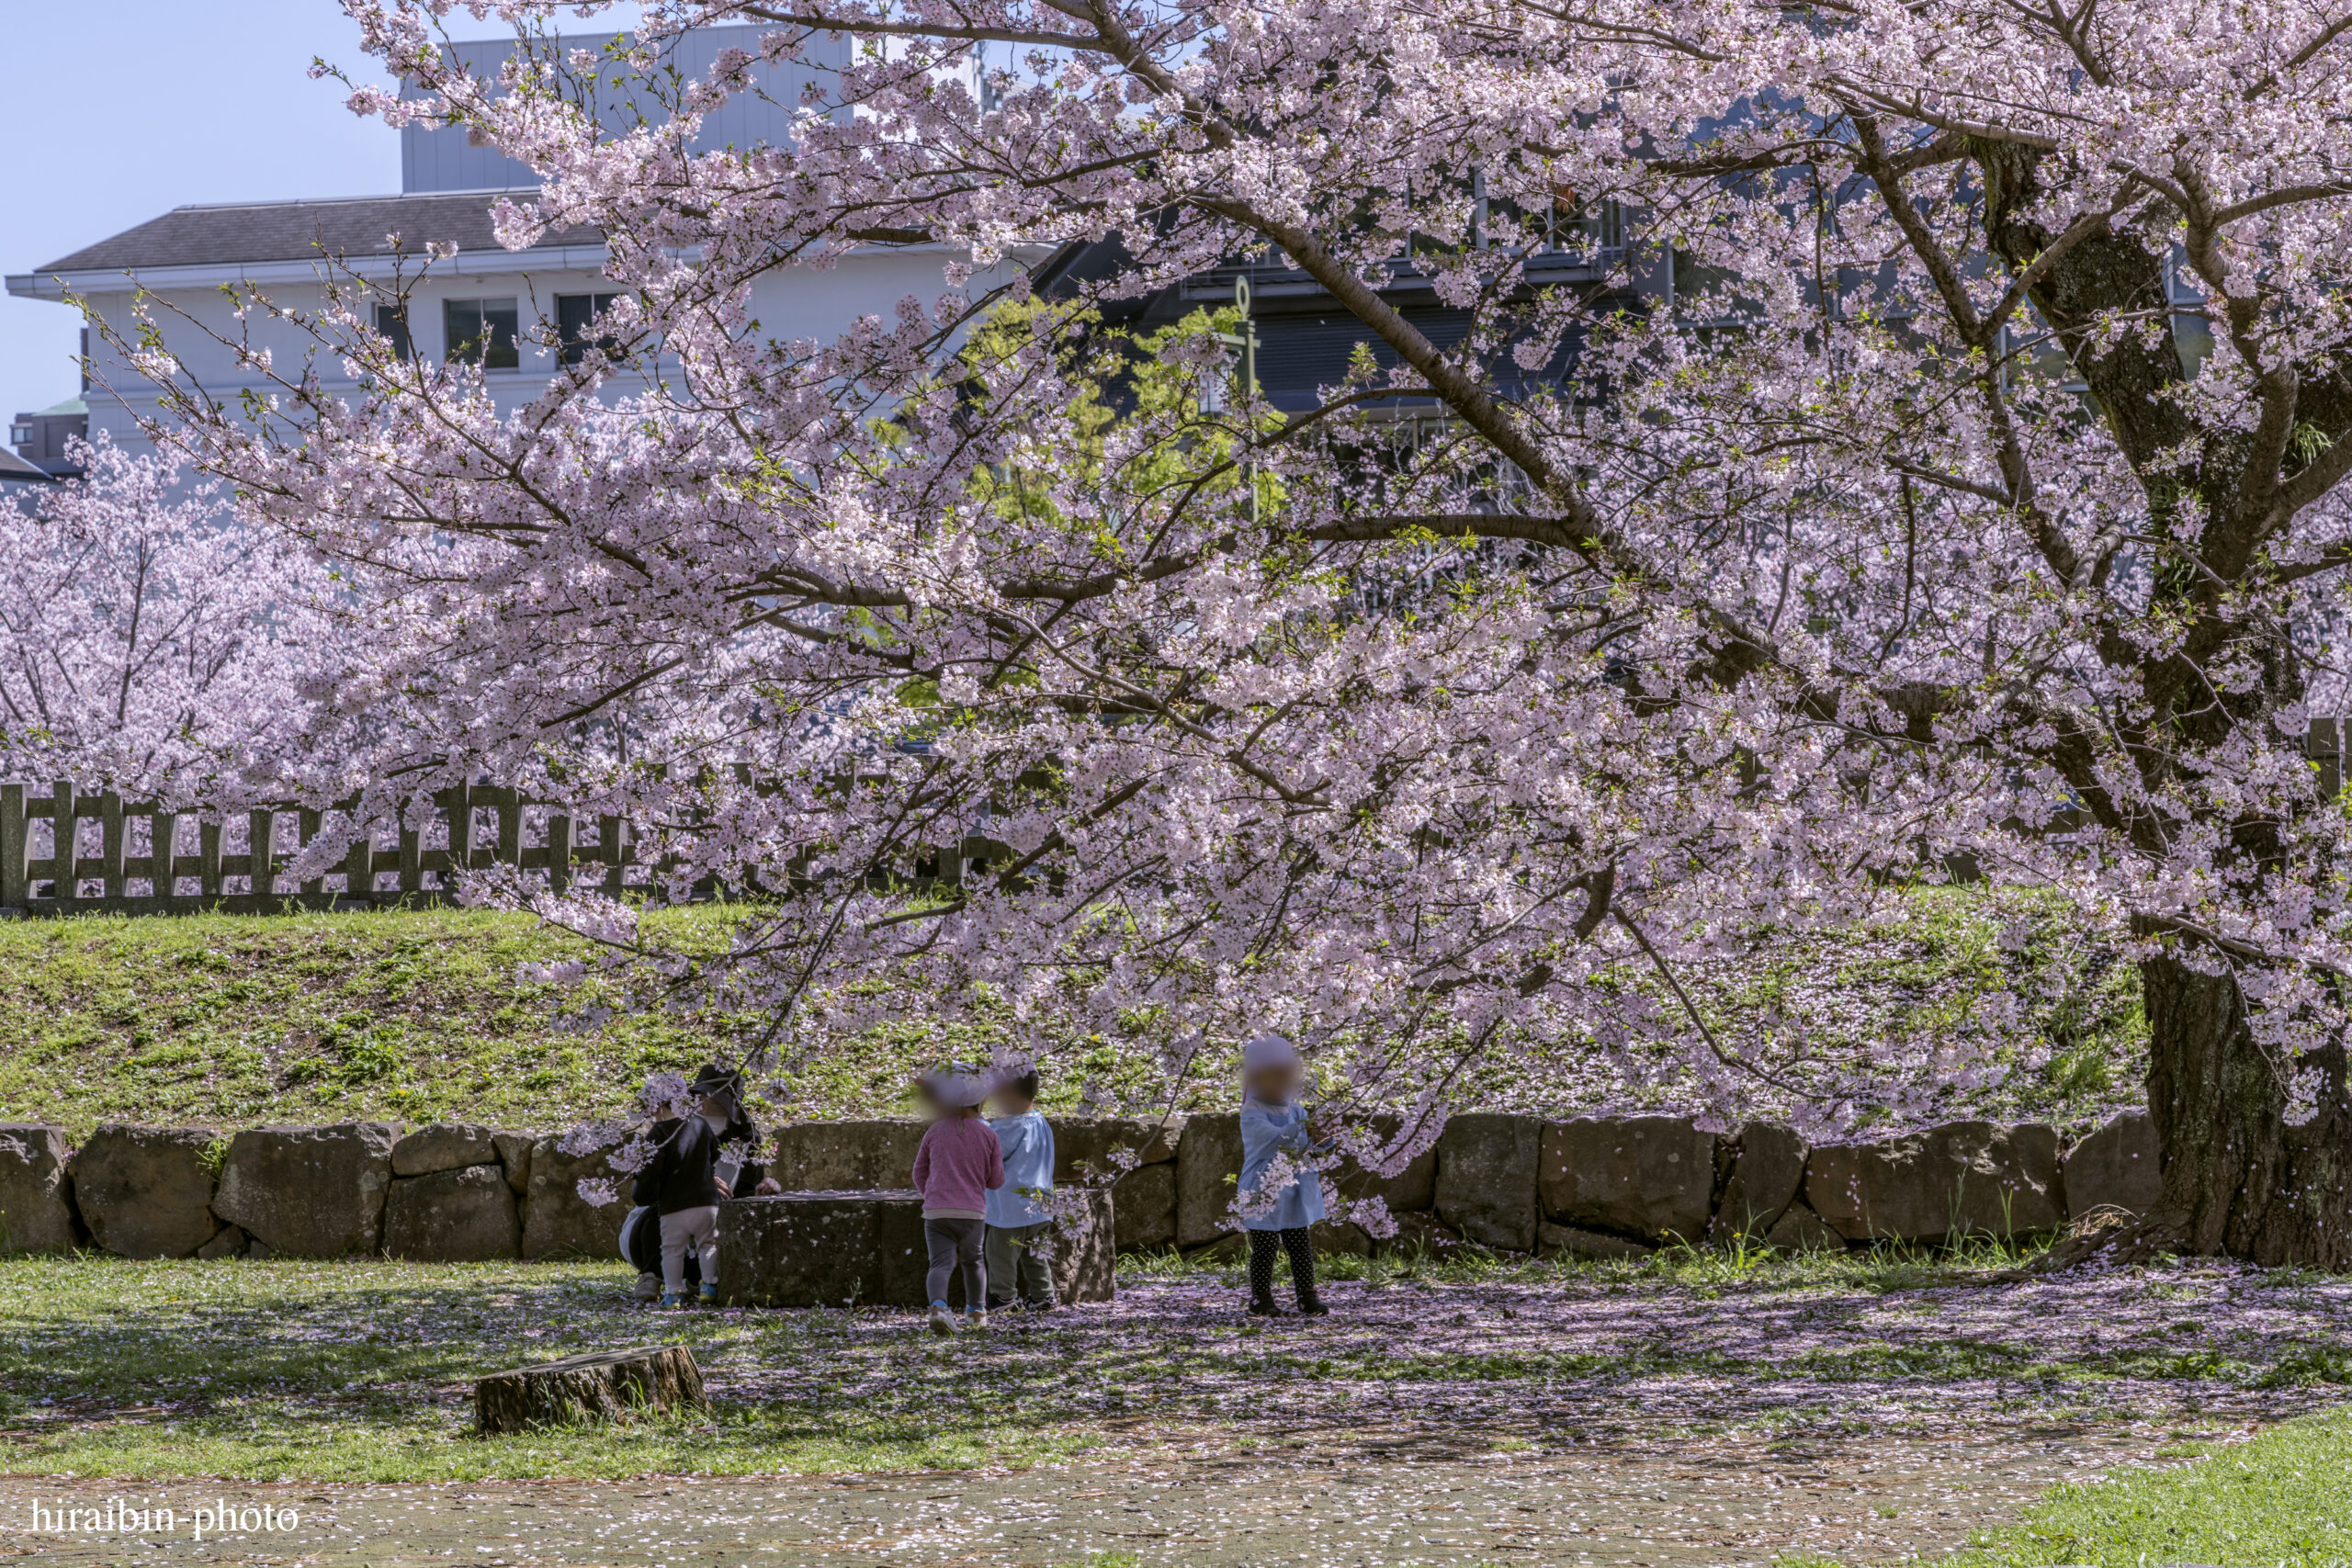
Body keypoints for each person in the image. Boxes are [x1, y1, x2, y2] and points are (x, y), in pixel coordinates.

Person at [635, 1062, 775, 1308]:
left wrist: (761, 1190)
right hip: (658, 1230)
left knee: (709, 1246)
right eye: (700, 1101)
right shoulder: (670, 1132)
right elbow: (649, 1189)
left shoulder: (748, 1141)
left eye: (716, 1104)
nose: (705, 1109)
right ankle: (653, 1277)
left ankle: (701, 1282)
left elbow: (742, 1196)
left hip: (709, 1231)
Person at [1237, 1033, 1329, 1317]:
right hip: (1262, 1189)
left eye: (1284, 1077)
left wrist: (1323, 1139)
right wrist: (1303, 1130)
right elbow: (1272, 1139)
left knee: (1300, 1245)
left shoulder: (1297, 1110)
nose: (1279, 1084)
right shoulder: (1251, 1111)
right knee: (1264, 1247)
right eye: (1270, 1077)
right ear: (1254, 1079)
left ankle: (1307, 1295)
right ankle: (1260, 1297)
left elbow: (1312, 1146)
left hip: (1293, 1190)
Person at [910, 1063, 1005, 1336]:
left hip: (936, 1212)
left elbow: (920, 1171)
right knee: (973, 1261)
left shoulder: (934, 1132)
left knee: (940, 1263)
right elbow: (996, 1180)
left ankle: (938, 1308)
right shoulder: (989, 1135)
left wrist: (930, 1195)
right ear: (980, 1100)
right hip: (972, 1213)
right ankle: (976, 1312)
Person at [983, 1068, 1057, 1314]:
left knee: (1001, 1253)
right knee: (1036, 1254)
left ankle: (1004, 1296)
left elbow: (989, 1152)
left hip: (1010, 1207)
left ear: (1010, 1093)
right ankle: (1043, 1295)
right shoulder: (1041, 1121)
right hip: (1041, 1204)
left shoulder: (1008, 1127)